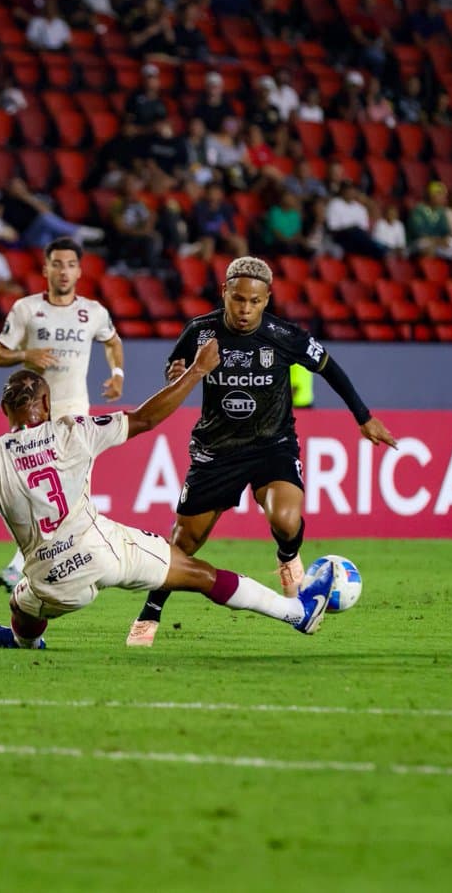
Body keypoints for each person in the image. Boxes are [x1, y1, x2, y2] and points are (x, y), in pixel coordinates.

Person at [0, 339, 335, 645]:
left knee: (21, 604)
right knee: (198, 574)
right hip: (104, 553)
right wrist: (199, 371)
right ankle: (296, 613)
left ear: (4, 412)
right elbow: (145, 418)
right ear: (48, 407)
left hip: (51, 580)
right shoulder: (73, 431)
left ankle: (25, 643)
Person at [126, 256, 397, 647]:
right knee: (184, 543)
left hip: (273, 445)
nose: (245, 309)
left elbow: (330, 368)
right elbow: (177, 363)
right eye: (238, 300)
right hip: (216, 451)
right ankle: (151, 610)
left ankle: (288, 557)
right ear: (225, 294)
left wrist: (364, 417)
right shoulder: (200, 330)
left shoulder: (285, 336)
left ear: (267, 299)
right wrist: (177, 372)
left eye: (254, 301)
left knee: (287, 520)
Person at [0, 236, 124, 592]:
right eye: (57, 264)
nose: (63, 271)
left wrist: (117, 375)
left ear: (79, 271)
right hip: (34, 418)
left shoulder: (92, 311)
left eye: (70, 265)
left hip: (74, 415)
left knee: (72, 494)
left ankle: (32, 567)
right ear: (45, 268)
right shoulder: (26, 309)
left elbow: (112, 341)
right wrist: (25, 355)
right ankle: (59, 565)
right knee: (40, 496)